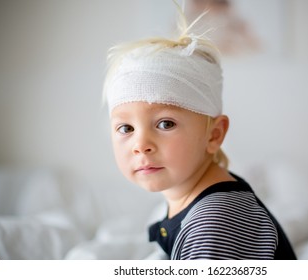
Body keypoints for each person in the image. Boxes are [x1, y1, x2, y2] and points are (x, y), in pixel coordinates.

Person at [103, 3, 296, 260]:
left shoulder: (215, 223)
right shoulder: (189, 198)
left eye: (165, 123)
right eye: (126, 128)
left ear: (214, 135)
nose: (141, 144)